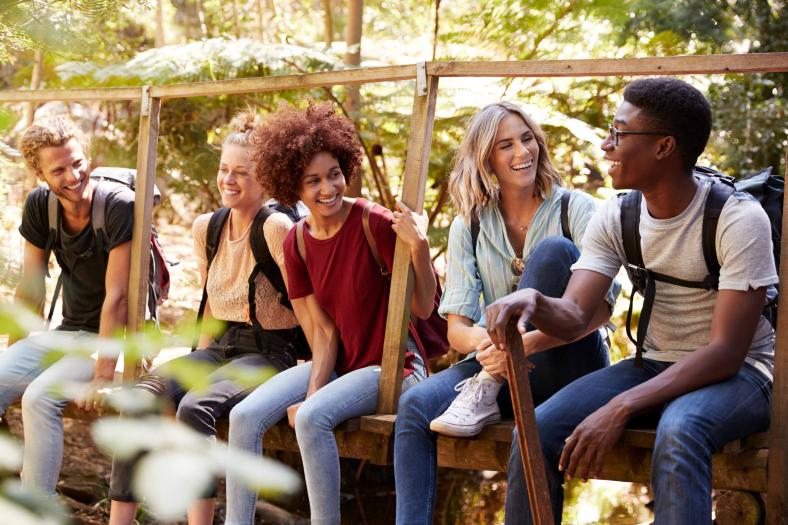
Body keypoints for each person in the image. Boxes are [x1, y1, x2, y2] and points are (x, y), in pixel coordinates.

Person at [486, 78, 776, 524]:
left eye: (619, 134)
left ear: (663, 147)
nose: (606, 145)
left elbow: (726, 354)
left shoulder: (736, 219)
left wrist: (621, 406)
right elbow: (575, 315)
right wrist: (533, 300)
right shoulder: (618, 214)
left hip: (742, 373)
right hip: (655, 361)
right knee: (539, 427)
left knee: (681, 430)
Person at [393, 101, 618, 524]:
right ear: (487, 160)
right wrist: (497, 348)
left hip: (569, 361)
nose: (523, 152)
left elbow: (601, 311)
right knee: (415, 406)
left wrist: (520, 345)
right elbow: (457, 328)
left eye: (528, 139)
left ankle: (494, 379)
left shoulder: (577, 210)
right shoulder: (471, 225)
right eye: (506, 145)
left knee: (554, 253)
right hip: (495, 364)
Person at [224, 101, 436, 525]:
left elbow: (424, 306)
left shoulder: (372, 222)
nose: (328, 189)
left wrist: (420, 248)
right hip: (341, 364)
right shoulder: (297, 241)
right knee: (243, 416)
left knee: (313, 418)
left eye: (334, 174)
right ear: (293, 187)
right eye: (313, 181)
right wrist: (313, 388)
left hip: (393, 367)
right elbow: (321, 332)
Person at [108, 111, 303, 525]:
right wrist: (189, 363)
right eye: (224, 170)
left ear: (265, 179)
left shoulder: (277, 227)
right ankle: (119, 519)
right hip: (220, 348)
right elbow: (211, 303)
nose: (229, 180)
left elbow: (306, 304)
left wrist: (312, 378)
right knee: (139, 397)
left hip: (269, 352)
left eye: (242, 173)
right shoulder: (207, 227)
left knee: (195, 407)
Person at [0, 118, 132, 494]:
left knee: (40, 398)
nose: (73, 175)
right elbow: (30, 287)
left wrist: (105, 374)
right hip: (65, 333)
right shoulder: (40, 205)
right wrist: (17, 355)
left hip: (108, 339)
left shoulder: (119, 207)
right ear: (40, 174)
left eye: (77, 162)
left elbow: (118, 297)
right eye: (59, 170)